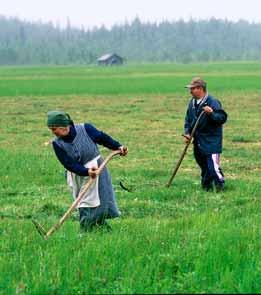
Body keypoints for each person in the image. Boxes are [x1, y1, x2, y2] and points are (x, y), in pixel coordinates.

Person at [47, 110, 128, 232]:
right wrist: (86, 171)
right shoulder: (57, 144)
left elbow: (102, 138)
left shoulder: (85, 128)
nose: (53, 132)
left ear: (64, 126)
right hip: (78, 174)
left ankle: (95, 230)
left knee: (100, 200)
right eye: (51, 129)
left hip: (97, 169)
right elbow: (69, 164)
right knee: (85, 203)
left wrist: (118, 146)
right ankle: (88, 230)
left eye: (54, 129)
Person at [184, 77, 227, 192]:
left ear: (200, 89)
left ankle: (220, 186)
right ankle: (206, 187)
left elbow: (222, 118)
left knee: (212, 167)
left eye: (192, 89)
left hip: (211, 141)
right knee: (204, 166)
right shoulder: (192, 103)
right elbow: (188, 120)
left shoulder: (213, 102)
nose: (190, 91)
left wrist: (212, 113)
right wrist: (188, 133)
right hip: (198, 142)